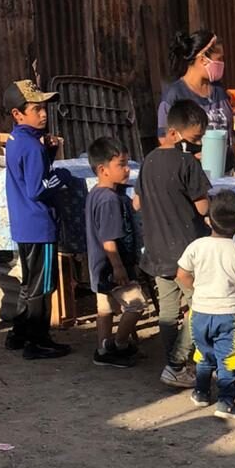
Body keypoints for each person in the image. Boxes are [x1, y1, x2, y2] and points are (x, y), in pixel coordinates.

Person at [135, 99, 212, 388]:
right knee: (200, 306)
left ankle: (172, 364)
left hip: (156, 250)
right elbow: (203, 208)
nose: (197, 144)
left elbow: (139, 202)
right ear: (176, 133)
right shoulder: (187, 163)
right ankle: (178, 363)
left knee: (167, 311)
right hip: (186, 252)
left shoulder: (148, 161)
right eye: (195, 139)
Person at [176, 190, 235, 419]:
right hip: (230, 315)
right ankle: (225, 402)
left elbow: (182, 274)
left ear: (208, 220)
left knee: (204, 355)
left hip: (200, 312)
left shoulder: (197, 246)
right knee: (229, 358)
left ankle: (201, 393)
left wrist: (197, 288)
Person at [1, 80, 71, 360]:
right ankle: (38, 340)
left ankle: (19, 334)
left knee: (30, 284)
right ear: (18, 114)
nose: (43, 114)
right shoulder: (32, 146)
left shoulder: (17, 140)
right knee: (43, 287)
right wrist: (63, 176)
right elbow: (38, 188)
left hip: (24, 224)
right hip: (39, 225)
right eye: (36, 109)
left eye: (44, 108)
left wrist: (48, 153)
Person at [85, 137, 146, 368]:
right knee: (137, 304)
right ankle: (120, 344)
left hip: (98, 266)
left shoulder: (98, 193)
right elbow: (109, 239)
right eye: (121, 164)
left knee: (105, 308)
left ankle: (103, 348)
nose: (127, 169)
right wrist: (119, 266)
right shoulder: (109, 200)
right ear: (103, 169)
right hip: (113, 265)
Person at [158, 30, 235, 174]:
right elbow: (164, 139)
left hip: (226, 171)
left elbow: (230, 136)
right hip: (193, 174)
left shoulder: (219, 90)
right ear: (202, 59)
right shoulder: (175, 95)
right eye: (219, 59)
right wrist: (190, 159)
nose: (222, 64)